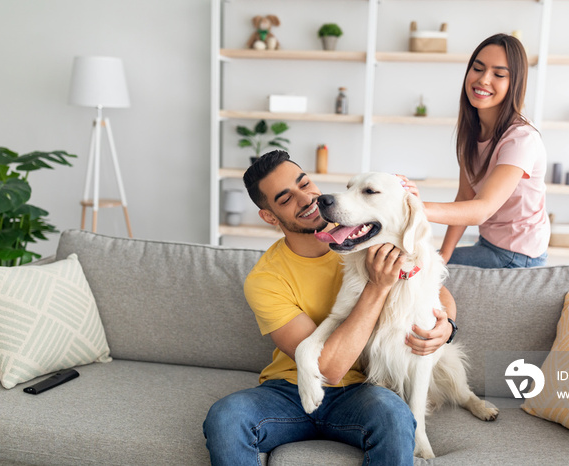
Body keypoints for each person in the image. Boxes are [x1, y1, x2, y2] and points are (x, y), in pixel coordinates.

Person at [203, 150, 456, 465]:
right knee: (226, 416)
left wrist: (446, 327)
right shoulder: (265, 279)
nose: (306, 198)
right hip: (290, 390)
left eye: (305, 183)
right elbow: (328, 370)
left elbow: (433, 287)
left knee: (394, 415)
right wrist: (377, 287)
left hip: (361, 390)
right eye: (285, 199)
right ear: (269, 216)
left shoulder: (365, 238)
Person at [401, 33, 550, 269]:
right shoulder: (473, 131)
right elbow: (465, 196)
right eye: (478, 68)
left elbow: (482, 209)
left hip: (518, 257)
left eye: (498, 74)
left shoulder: (521, 139)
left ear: (515, 84)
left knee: (413, 268)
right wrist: (445, 253)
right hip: (488, 243)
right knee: (424, 264)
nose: (483, 80)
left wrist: (413, 206)